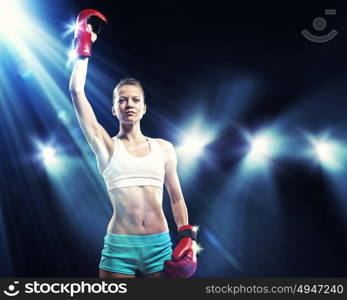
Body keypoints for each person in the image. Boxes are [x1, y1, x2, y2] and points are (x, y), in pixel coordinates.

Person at [68, 9, 198, 278]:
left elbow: (176, 197)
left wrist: (187, 235)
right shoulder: (105, 146)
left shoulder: (164, 148)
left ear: (144, 108)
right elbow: (76, 91)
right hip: (120, 246)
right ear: (114, 109)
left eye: (135, 100)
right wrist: (83, 47)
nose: (129, 104)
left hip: (159, 246)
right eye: (122, 100)